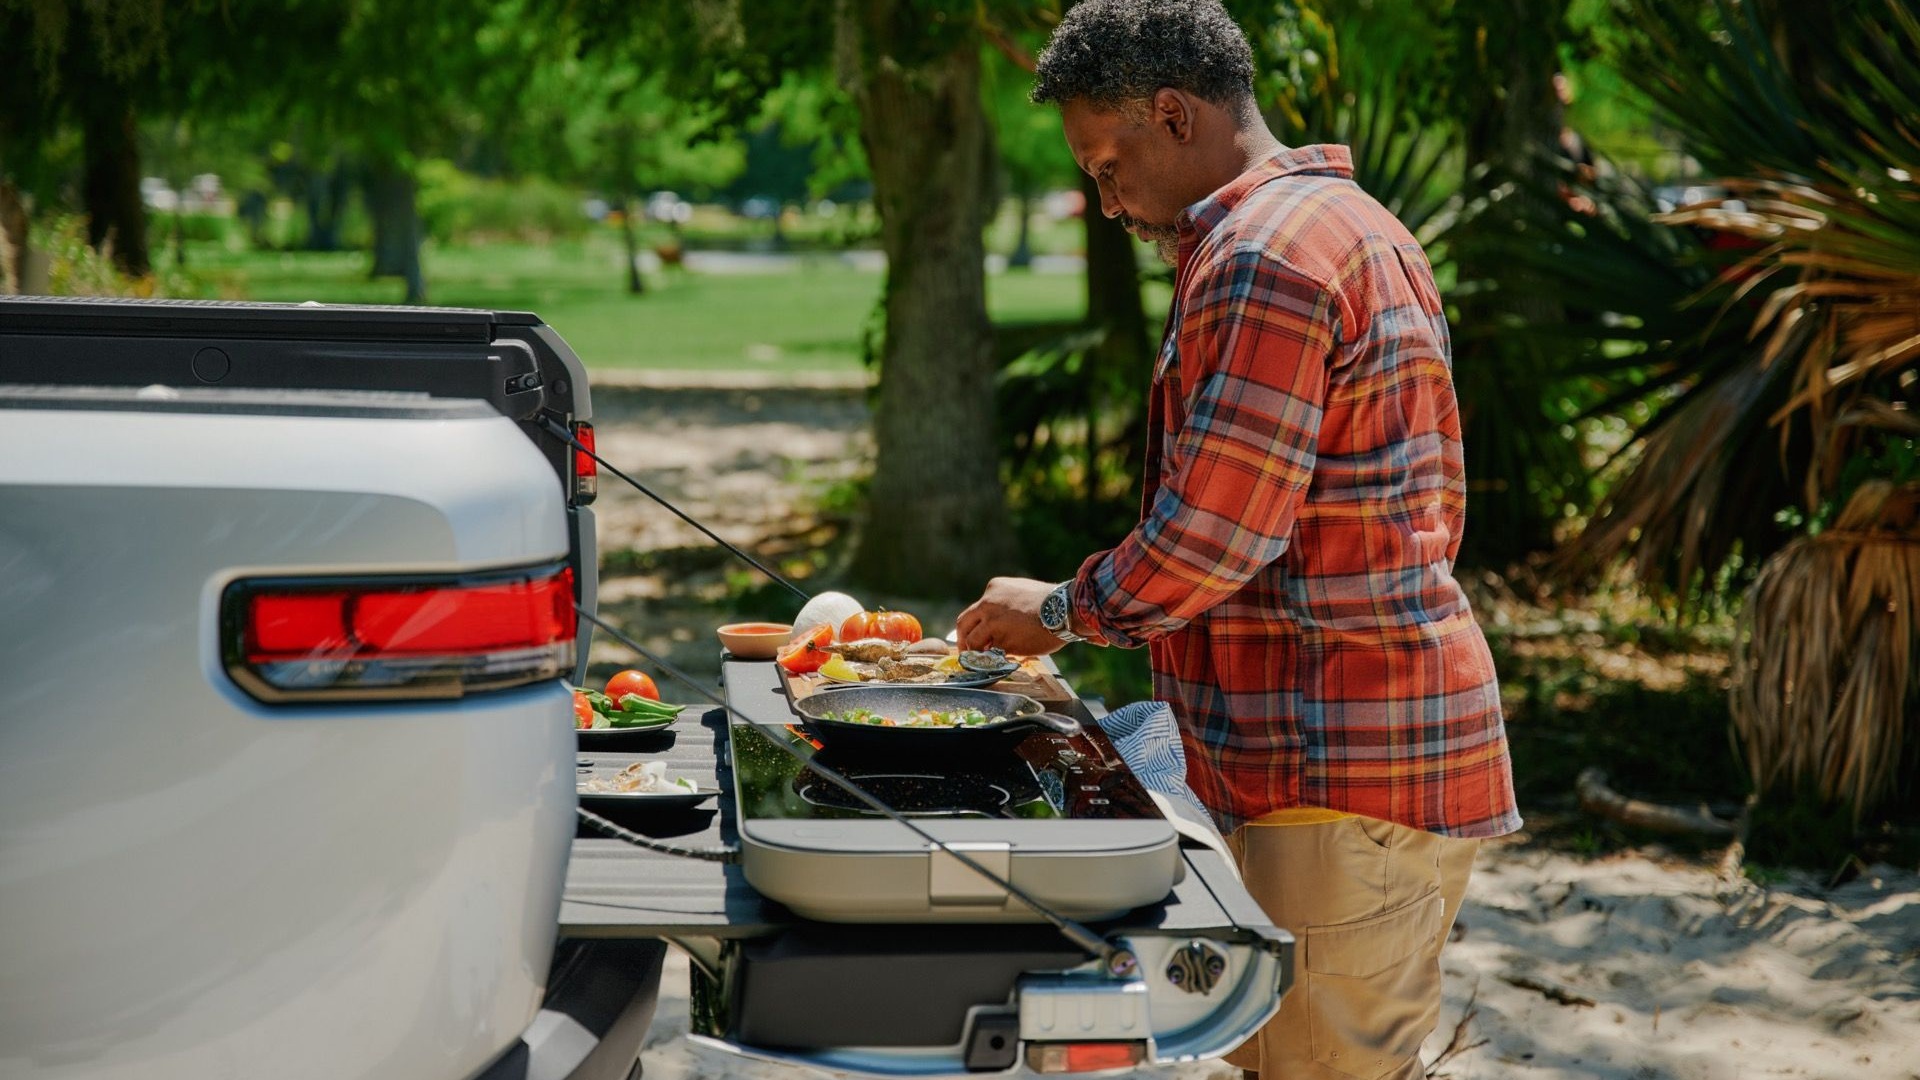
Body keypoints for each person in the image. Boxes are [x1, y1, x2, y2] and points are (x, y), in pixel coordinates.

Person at [954, 3, 1520, 1078]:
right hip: (1340, 761)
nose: (1103, 198)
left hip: (1338, 773)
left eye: (1107, 164)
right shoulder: (1349, 224)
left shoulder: (1266, 256)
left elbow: (1216, 535)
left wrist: (1064, 611)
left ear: (1173, 115)